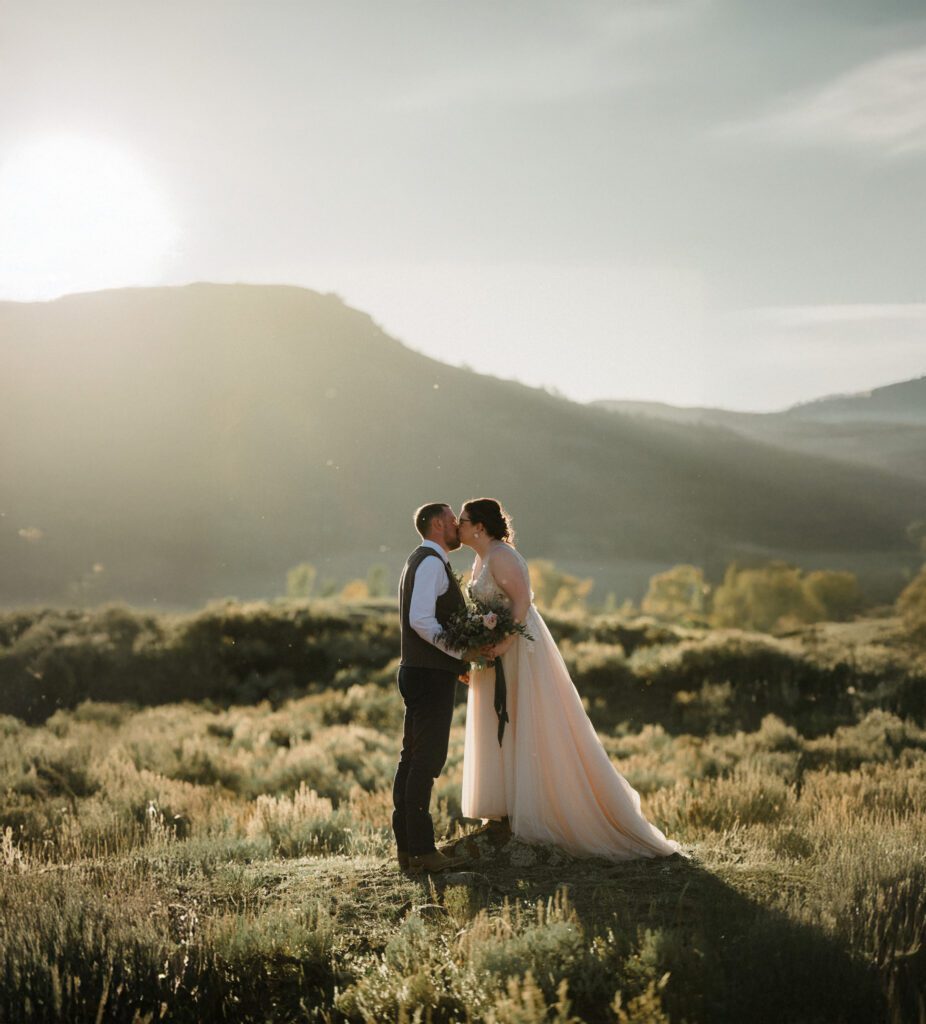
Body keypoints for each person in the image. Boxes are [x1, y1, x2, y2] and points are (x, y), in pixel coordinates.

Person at [458, 498, 682, 861]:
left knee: (529, 720)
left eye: (464, 520)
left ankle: (546, 811)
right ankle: (506, 807)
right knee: (501, 721)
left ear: (480, 526)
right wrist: (475, 646)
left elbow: (520, 604)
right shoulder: (480, 557)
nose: (459, 527)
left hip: (519, 651)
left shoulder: (504, 556)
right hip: (494, 651)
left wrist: (502, 645)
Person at [392, 502, 479, 874]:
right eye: (450, 519)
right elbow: (421, 621)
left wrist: (454, 663)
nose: (457, 525)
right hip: (428, 675)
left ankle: (409, 850)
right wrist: (461, 651)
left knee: (411, 760)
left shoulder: (421, 560)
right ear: (435, 524)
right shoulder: (429, 563)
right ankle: (423, 851)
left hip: (420, 670)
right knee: (424, 763)